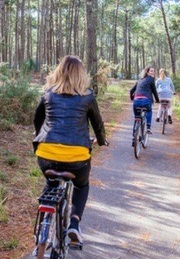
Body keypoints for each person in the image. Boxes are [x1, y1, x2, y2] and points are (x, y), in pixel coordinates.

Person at [33, 55, 107, 246]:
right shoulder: (87, 96)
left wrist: (40, 136)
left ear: (58, 71)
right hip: (77, 157)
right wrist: (101, 140)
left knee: (51, 182)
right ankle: (74, 223)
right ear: (81, 75)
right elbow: (97, 123)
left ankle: (44, 223)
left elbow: (37, 120)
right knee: (82, 186)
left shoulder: (48, 93)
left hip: (46, 154)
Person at [129, 66, 159, 133]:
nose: (153, 72)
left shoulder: (140, 80)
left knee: (137, 117)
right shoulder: (151, 79)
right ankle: (148, 127)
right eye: (151, 71)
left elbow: (131, 91)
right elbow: (154, 91)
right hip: (146, 101)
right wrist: (157, 100)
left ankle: (134, 136)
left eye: (153, 71)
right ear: (147, 72)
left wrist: (132, 99)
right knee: (149, 111)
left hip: (136, 101)